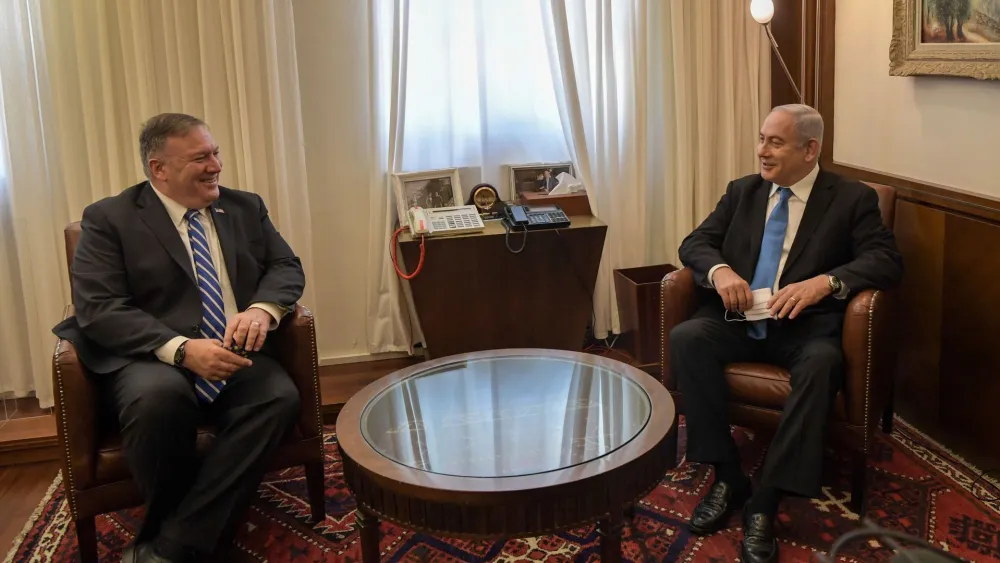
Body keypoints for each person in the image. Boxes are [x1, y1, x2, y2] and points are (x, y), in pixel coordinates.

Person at [53, 113, 305, 563]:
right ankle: (193, 538)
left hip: (231, 349)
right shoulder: (110, 218)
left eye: (216, 153)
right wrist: (182, 350)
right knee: (157, 401)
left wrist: (260, 310)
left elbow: (286, 266)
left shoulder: (245, 207)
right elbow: (99, 307)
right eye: (201, 158)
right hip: (152, 355)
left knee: (278, 398)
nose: (216, 166)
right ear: (159, 169)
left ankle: (173, 546)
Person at [669, 104, 903, 563]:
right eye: (761, 139)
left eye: (775, 142)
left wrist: (826, 282)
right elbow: (694, 243)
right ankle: (727, 474)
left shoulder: (851, 199)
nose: (762, 151)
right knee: (687, 338)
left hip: (805, 326)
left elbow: (886, 261)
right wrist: (719, 272)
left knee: (822, 364)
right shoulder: (743, 191)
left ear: (810, 149)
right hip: (741, 315)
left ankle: (767, 498)